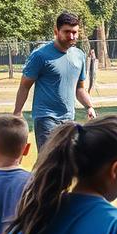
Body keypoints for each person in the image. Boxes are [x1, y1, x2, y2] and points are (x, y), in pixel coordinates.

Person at [13, 11, 96, 150]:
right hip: (46, 117)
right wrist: (17, 112)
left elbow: (79, 88)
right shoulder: (40, 55)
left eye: (75, 32)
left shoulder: (79, 56)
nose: (71, 36)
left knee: (69, 161)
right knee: (49, 161)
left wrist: (89, 107)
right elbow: (24, 86)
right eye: (67, 32)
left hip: (69, 118)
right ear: (56, 31)